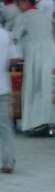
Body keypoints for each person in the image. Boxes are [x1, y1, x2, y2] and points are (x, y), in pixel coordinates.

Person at [12, 0, 55, 136]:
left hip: (37, 56)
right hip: (52, 53)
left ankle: (36, 124)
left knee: (34, 89)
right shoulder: (44, 16)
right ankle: (50, 122)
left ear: (26, 2)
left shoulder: (24, 17)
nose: (18, 6)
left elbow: (14, 37)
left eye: (19, 3)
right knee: (48, 88)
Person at [0, 24, 19, 173]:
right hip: (2, 87)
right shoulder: (6, 34)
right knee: (5, 127)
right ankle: (8, 161)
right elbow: (15, 59)